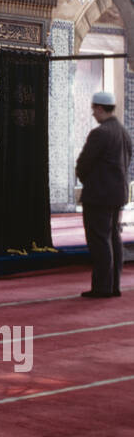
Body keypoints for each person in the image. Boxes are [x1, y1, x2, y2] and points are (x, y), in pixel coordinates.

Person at [74, 91, 132, 299]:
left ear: (99, 108)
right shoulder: (123, 131)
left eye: (94, 110)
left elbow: (84, 163)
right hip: (117, 194)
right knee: (113, 238)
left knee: (99, 240)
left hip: (99, 195)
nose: (93, 114)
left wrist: (86, 180)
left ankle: (102, 287)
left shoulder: (101, 133)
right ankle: (113, 285)